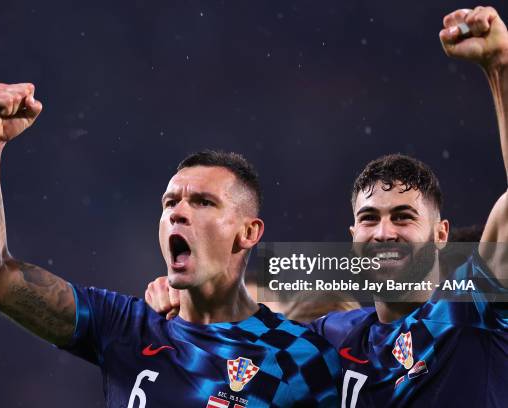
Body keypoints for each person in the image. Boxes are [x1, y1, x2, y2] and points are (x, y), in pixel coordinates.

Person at [146, 6, 508, 407]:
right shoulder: (338, 333)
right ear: (352, 240)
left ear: (441, 236)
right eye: (369, 218)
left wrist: (500, 67)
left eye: (403, 217)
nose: (384, 232)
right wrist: (189, 300)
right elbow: (267, 293)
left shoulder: (470, 312)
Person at [0, 85, 341, 407]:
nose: (179, 212)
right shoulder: (128, 327)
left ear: (249, 232)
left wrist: (267, 288)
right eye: (170, 203)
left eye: (204, 202)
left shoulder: (301, 356)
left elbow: (396, 276)